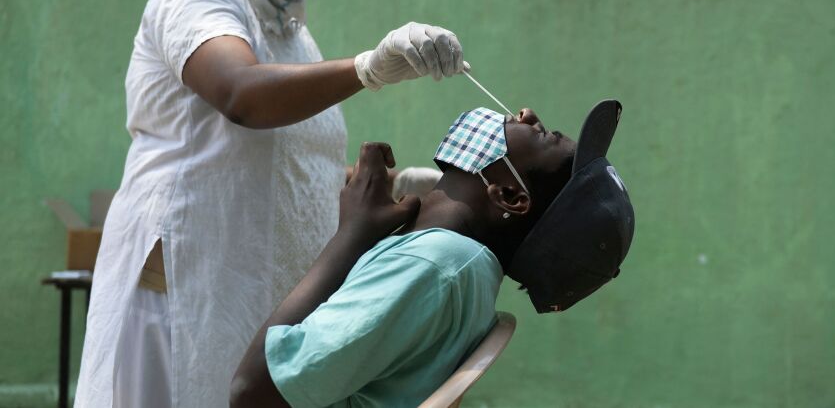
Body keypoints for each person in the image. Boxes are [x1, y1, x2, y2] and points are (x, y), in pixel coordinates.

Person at [76, 0, 463, 408]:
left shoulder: (290, 32)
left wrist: (385, 187)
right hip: (181, 291)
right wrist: (368, 68)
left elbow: (288, 165)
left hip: (249, 294)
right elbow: (241, 95)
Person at [230, 101, 636, 407]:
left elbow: (253, 392)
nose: (527, 114)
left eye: (543, 134)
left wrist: (351, 235)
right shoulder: (462, 265)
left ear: (509, 195)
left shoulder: (433, 267)